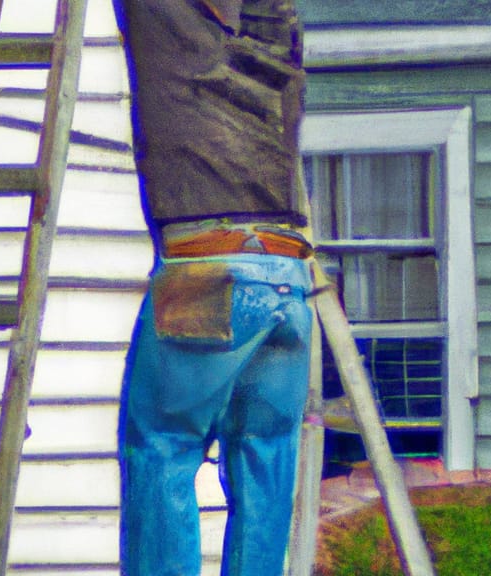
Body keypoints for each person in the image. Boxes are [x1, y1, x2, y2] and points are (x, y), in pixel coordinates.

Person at [113, 1, 312, 574]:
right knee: (266, 459)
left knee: (162, 448)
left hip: (208, 267)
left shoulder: (164, 17)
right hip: (286, 272)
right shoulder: (274, 24)